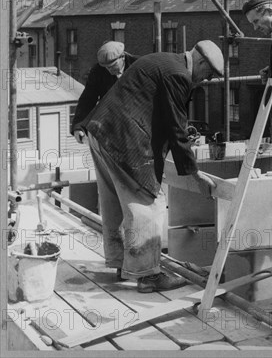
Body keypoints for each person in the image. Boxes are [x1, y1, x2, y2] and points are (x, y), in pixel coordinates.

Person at [80, 40, 224, 293]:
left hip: (100, 132)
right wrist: (194, 173)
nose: (206, 80)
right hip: (122, 141)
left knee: (114, 202)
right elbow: (176, 126)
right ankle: (148, 276)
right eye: (208, 74)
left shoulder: (162, 59)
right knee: (148, 203)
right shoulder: (178, 74)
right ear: (200, 62)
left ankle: (121, 264)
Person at [70, 41, 137, 144]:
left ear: (122, 57)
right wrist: (79, 126)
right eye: (106, 67)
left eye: (112, 66)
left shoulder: (139, 66)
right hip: (113, 125)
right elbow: (87, 100)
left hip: (139, 123)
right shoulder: (97, 71)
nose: (109, 70)